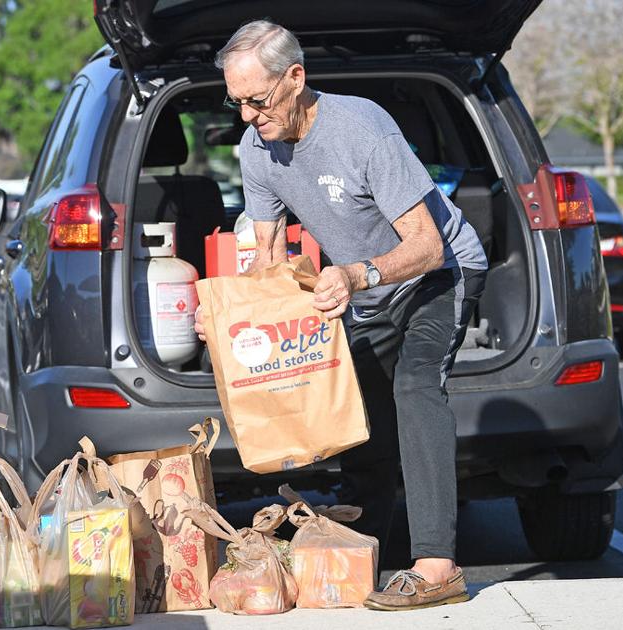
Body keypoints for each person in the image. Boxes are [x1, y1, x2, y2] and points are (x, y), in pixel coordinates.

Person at [195, 20, 487, 611]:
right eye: (236, 101)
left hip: (439, 274)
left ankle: (437, 567)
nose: (247, 115)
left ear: (295, 77)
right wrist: (228, 320)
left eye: (257, 100)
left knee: (415, 386)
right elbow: (268, 262)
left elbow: (428, 245)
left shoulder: (361, 129)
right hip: (369, 290)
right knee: (355, 405)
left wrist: (355, 275)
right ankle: (360, 553)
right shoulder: (256, 148)